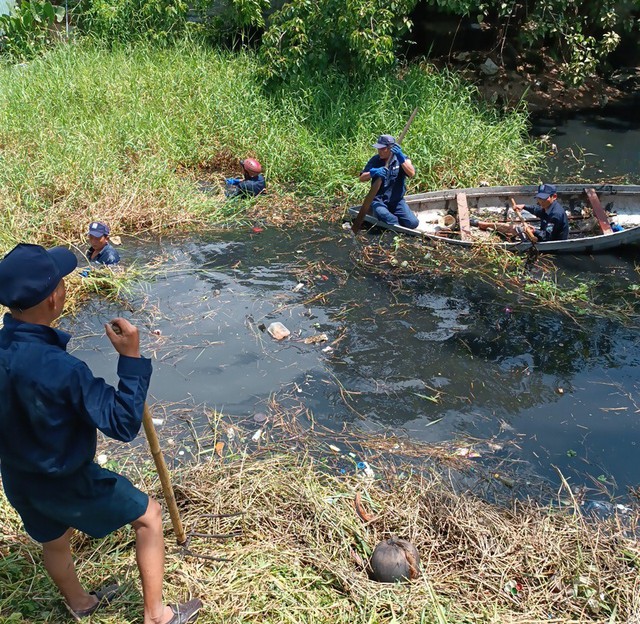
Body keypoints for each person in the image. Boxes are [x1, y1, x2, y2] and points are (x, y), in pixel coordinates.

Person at [0, 243, 202, 624]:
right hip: (65, 477)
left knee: (54, 539)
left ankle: (80, 603)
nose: (64, 288)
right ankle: (157, 615)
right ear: (52, 300)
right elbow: (122, 422)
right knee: (149, 516)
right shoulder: (63, 369)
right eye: (60, 282)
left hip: (18, 476)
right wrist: (130, 358)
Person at [470, 184, 569, 242]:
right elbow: (538, 210)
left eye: (543, 199)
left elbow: (547, 237)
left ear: (554, 197)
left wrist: (534, 231)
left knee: (514, 228)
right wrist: (524, 206)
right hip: (545, 233)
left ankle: (483, 224)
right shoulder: (548, 206)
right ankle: (484, 224)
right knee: (515, 227)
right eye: (539, 198)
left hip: (551, 241)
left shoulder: (555, 214)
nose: (540, 201)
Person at [360, 134, 418, 229]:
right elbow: (362, 178)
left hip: (396, 200)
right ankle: (397, 227)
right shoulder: (375, 160)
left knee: (413, 223)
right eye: (379, 148)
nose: (380, 151)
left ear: (390, 148)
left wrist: (401, 158)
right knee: (390, 219)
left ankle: (394, 220)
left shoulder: (402, 158)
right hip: (378, 200)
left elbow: (411, 173)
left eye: (383, 149)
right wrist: (373, 172)